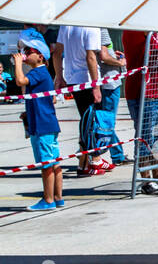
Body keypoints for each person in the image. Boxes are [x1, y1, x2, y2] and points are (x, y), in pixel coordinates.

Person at [122, 30, 158, 194]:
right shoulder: (136, 30)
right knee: (145, 138)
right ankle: (146, 180)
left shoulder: (156, 29)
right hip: (143, 92)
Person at [12, 32, 63, 211]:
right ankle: (58, 197)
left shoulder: (38, 72)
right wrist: (28, 113)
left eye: (29, 51)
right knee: (54, 162)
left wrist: (18, 63)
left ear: (40, 56)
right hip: (44, 122)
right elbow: (46, 100)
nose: (25, 53)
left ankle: (48, 200)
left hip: (43, 126)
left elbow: (20, 80)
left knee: (46, 164)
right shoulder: (42, 74)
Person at [52, 23, 102, 175]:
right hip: (87, 79)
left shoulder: (66, 25)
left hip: (73, 78)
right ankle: (89, 161)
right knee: (91, 122)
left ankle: (87, 160)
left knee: (85, 120)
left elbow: (56, 53)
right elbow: (91, 57)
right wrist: (96, 86)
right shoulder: (92, 27)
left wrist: (59, 76)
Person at [93, 28, 126, 171]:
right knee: (106, 122)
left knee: (104, 120)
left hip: (105, 82)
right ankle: (117, 156)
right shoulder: (101, 29)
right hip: (109, 82)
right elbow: (104, 56)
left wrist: (113, 54)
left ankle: (115, 155)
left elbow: (105, 52)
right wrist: (120, 63)